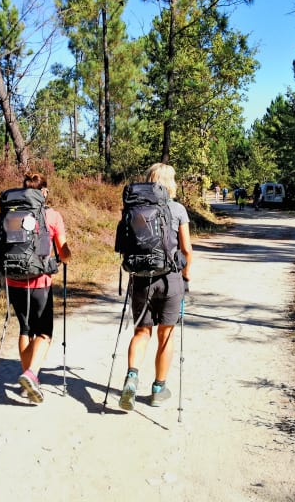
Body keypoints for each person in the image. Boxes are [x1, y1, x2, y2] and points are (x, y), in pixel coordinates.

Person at [119, 163, 193, 411]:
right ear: (171, 183)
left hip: (141, 278)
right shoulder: (178, 209)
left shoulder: (134, 209)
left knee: (142, 332)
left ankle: (131, 377)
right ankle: (159, 389)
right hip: (170, 278)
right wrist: (186, 277)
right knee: (166, 334)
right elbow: (186, 249)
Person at [8, 172, 72, 404]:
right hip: (40, 281)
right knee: (44, 333)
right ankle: (31, 374)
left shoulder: (11, 213)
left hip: (13, 279)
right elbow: (63, 251)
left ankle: (27, 384)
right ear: (44, 192)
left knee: (25, 329)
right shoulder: (52, 215)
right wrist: (65, 257)